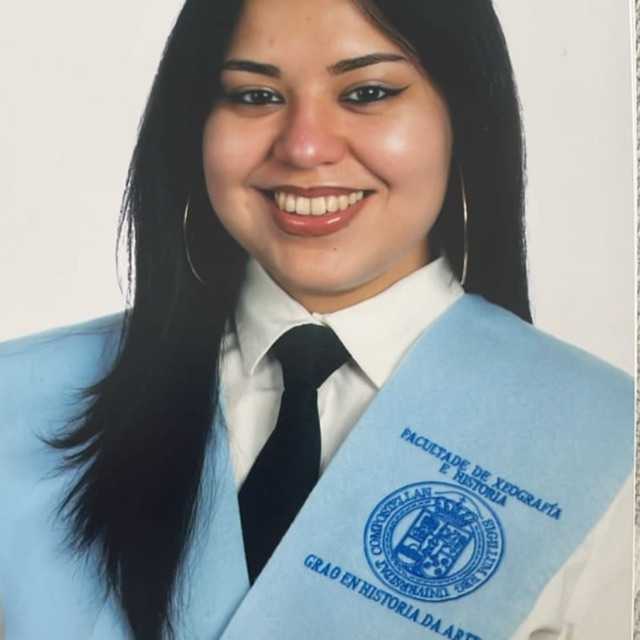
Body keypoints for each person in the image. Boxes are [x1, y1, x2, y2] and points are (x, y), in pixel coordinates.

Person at [0, 1, 632, 639]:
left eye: (367, 92)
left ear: (462, 117)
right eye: (254, 96)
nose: (304, 147)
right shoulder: (17, 400)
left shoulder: (606, 446)